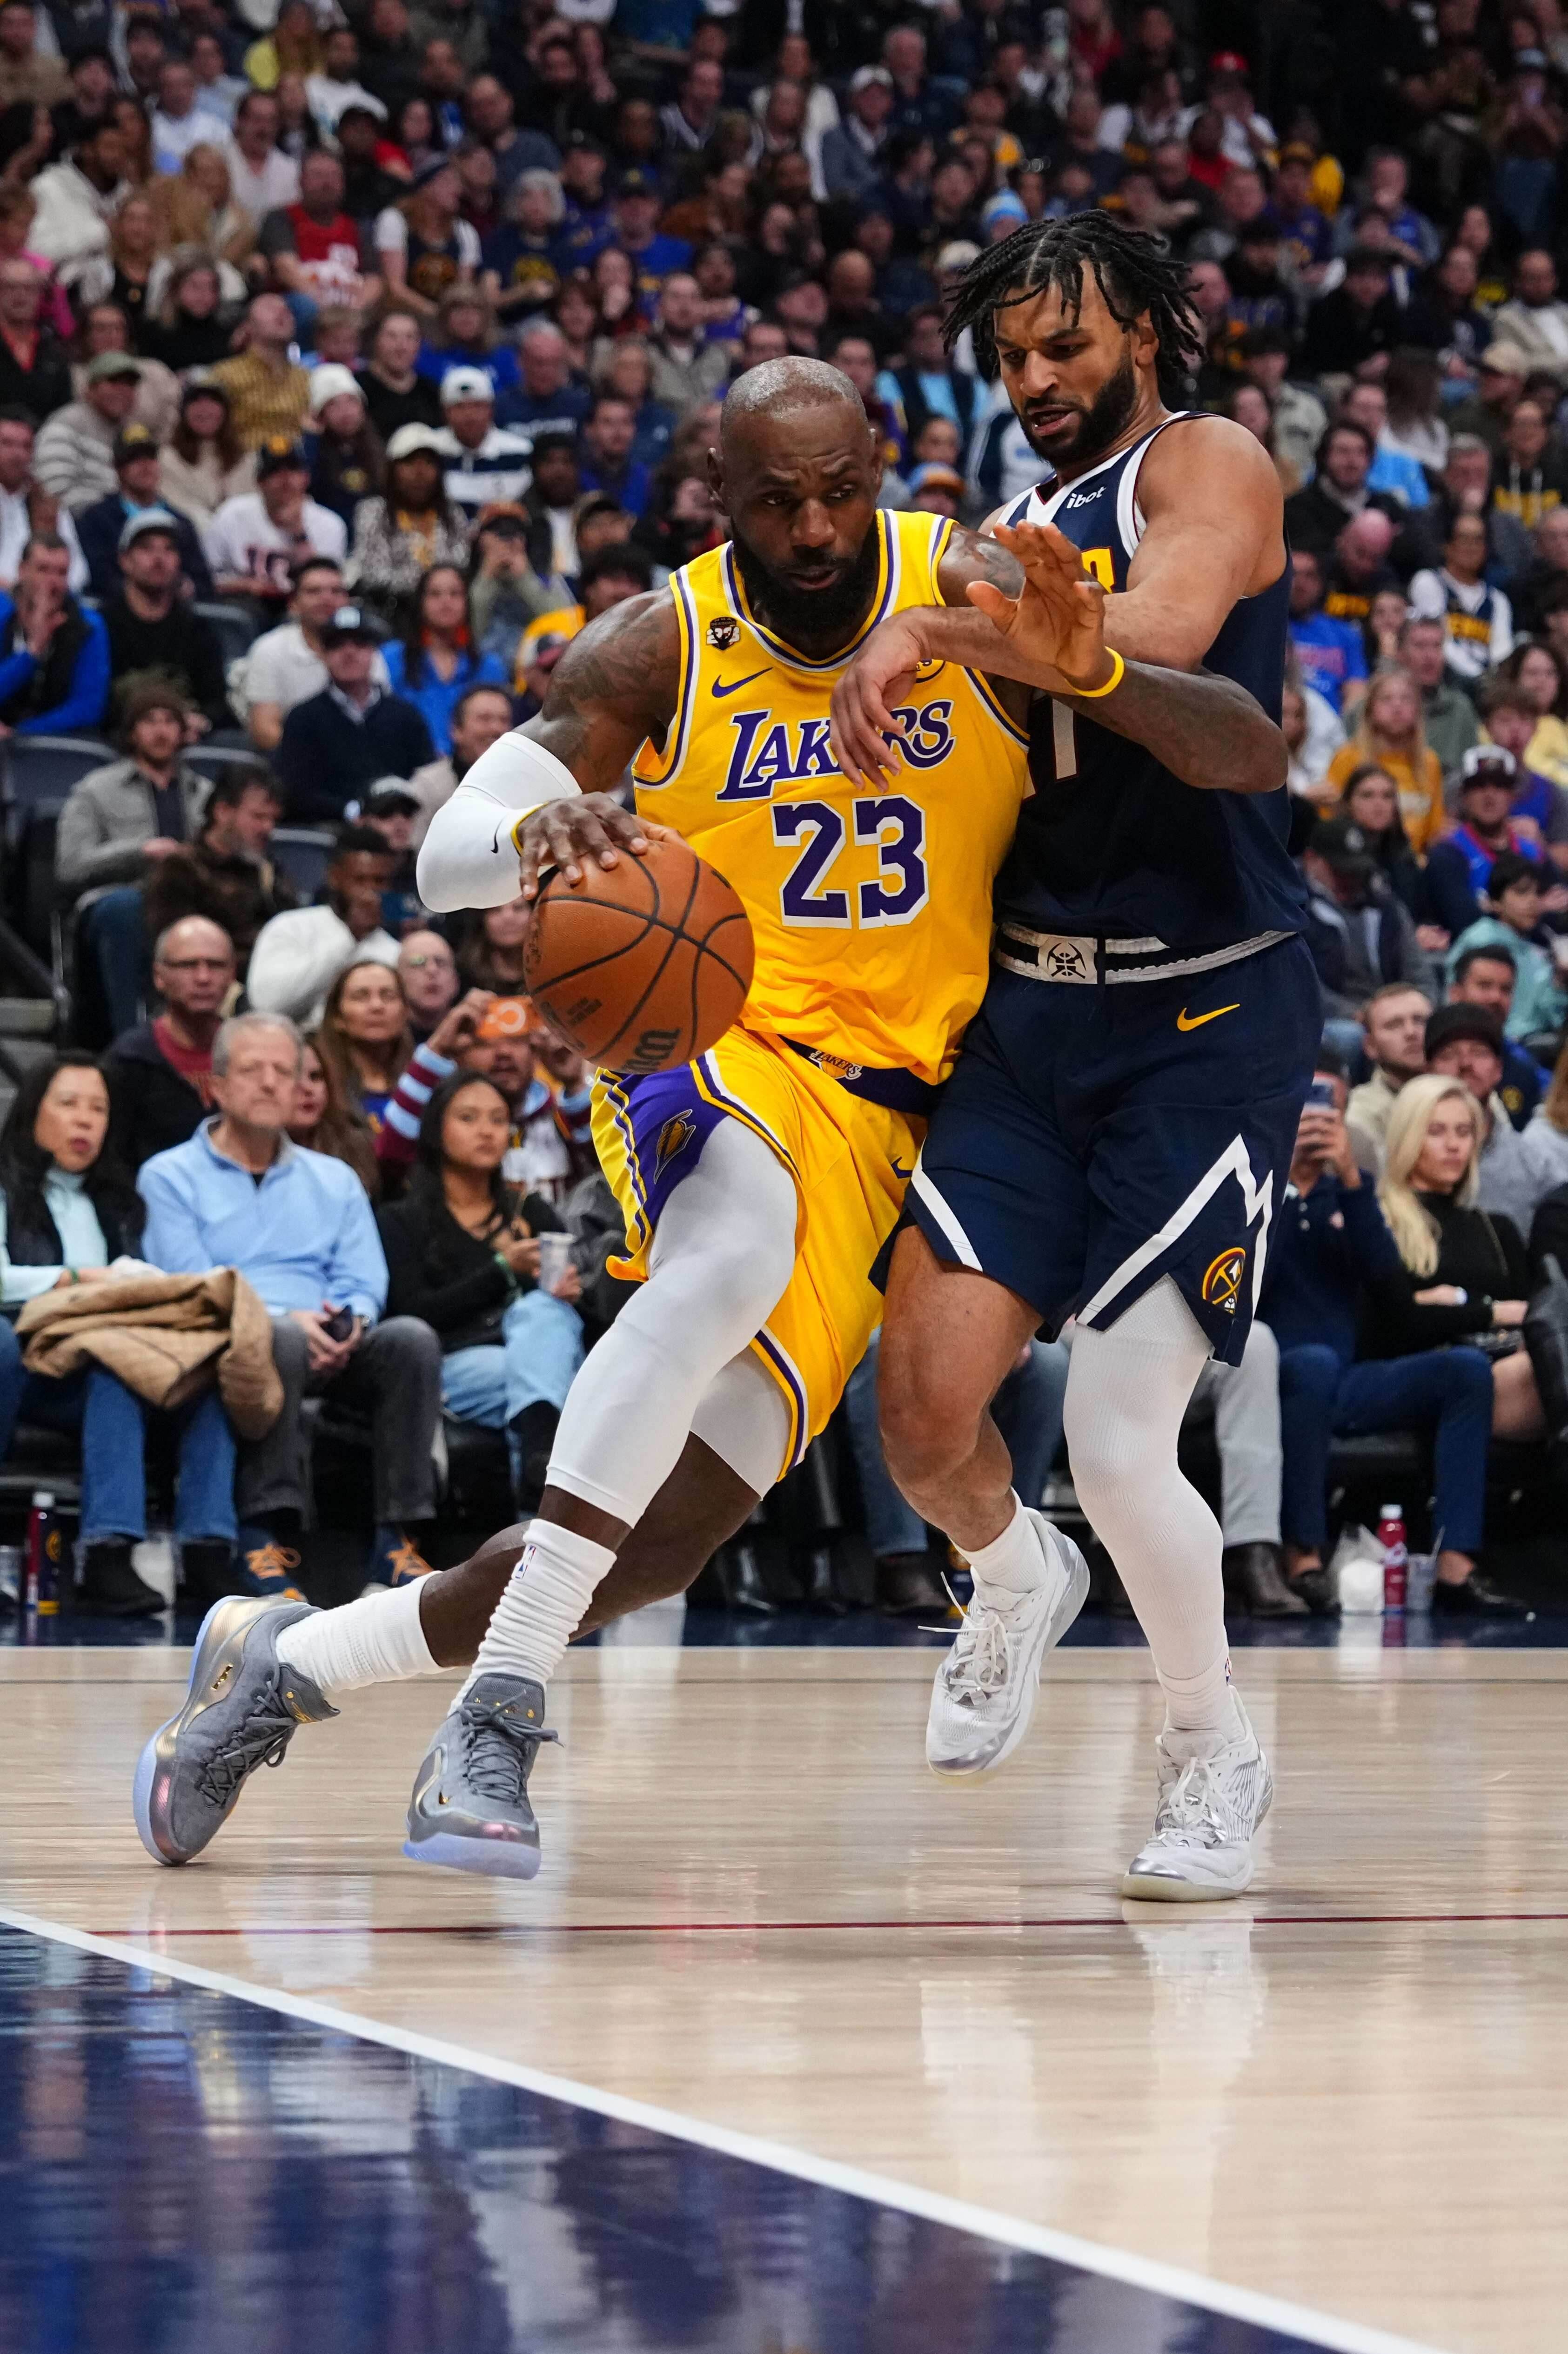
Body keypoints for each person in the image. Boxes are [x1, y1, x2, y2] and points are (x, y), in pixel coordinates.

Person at [130, 351, 1276, 1876]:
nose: (812, 530)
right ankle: (501, 1708)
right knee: (728, 1247)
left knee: (652, 1538)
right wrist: (548, 824)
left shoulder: (974, 581)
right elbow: (449, 849)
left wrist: (1101, 668)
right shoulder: (660, 639)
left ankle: (290, 1667)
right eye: (774, 501)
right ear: (715, 497)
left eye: (839, 492)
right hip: (714, 1046)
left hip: (911, 1112)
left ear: (883, 470)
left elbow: (1215, 727)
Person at [825, 214, 1318, 1902]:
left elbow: (1166, 637)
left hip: (1207, 1007)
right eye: (1011, 358)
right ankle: (1012, 1573)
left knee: (1118, 1435)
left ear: (1147, 335)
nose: (1034, 381)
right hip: (1034, 1010)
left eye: (1065, 348)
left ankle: (1209, 1750)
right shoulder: (1007, 528)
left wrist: (956, 633)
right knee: (918, 1409)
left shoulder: (1208, 460)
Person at [136, 1012, 442, 1613]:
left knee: (412, 1339)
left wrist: (348, 1321)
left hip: (331, 1342)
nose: (274, 1084)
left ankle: (396, 1539)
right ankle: (262, 1531)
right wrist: (283, 1316)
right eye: (254, 1071)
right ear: (217, 1086)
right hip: (231, 1348)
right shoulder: (169, 1176)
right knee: (278, 1335)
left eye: (287, 1071)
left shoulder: (334, 1179)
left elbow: (363, 1279)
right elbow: (188, 1285)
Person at [0, 1053, 240, 1618]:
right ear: (33, 1111)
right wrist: (88, 1279)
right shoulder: (7, 1191)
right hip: (26, 1363)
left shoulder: (121, 1203)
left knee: (188, 1365)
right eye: (68, 1105)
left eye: (98, 1108)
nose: (85, 1120)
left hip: (97, 1363)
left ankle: (182, 1551)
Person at [1264, 1069, 1509, 1619]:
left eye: (1329, 1109)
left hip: (1348, 1377)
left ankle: (1456, 1566)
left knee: (1467, 1369)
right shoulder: (1252, 1186)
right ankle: (1302, 1557)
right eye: (1305, 1106)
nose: (1317, 1120)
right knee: (1311, 1363)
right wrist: (1283, 1181)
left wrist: (1349, 1178)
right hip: (1267, 1375)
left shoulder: (1352, 1192)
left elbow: (1385, 1280)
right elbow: (1251, 1284)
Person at [378, 1072, 584, 1506]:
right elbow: (413, 1313)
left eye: (497, 1119)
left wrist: (571, 1292)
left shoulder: (532, 1211)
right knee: (556, 1392)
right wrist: (501, 1270)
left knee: (543, 1315)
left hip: (534, 1354)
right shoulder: (402, 1220)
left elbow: (570, 1304)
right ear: (437, 1130)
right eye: (469, 1118)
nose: (487, 1130)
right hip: (455, 1364)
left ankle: (535, 1479)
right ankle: (543, 1490)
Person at [274, 602, 433, 818]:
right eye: (337, 645)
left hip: (400, 828)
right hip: (330, 832)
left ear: (374, 652)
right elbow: (296, 793)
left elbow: (426, 779)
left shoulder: (406, 716)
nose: (349, 653)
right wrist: (350, 812)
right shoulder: (303, 719)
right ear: (323, 654)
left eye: (360, 644)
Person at [103, 915, 235, 1172]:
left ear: (232, 975)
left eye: (216, 965)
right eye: (188, 965)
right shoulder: (129, 1061)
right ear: (159, 976)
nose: (203, 977)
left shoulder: (254, 1056)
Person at [235, 555, 389, 754]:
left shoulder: (367, 651)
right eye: (314, 591)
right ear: (293, 603)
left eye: (336, 591)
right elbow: (265, 731)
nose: (327, 599)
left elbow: (383, 716)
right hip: (294, 764)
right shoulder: (269, 650)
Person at [1424, 1001, 1555, 1237]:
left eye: (1479, 1052)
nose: (1465, 1064)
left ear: (1499, 1070)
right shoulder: (1400, 1155)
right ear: (1428, 1072)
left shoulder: (1535, 1165)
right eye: (1449, 1054)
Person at [247, 824, 400, 1023]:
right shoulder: (290, 927)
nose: (370, 893)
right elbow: (266, 1003)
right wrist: (350, 935)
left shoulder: (396, 950)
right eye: (360, 880)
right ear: (334, 877)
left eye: (379, 882)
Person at [101, 510, 230, 734]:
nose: (159, 559)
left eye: (169, 549)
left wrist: (200, 723)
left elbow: (216, 704)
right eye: (146, 548)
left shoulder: (197, 629)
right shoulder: (101, 626)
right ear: (125, 561)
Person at [204, 437, 348, 617]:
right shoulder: (232, 515)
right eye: (275, 472)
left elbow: (328, 587)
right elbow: (207, 578)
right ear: (259, 482)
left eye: (293, 471)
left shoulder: (329, 524)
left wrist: (299, 532)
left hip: (303, 610)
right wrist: (247, 586)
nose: (285, 480)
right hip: (244, 603)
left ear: (306, 478)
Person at [346, 419, 470, 624]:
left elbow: (460, 565)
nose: (420, 473)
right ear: (393, 469)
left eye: (429, 463)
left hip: (446, 610)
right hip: (392, 611)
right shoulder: (373, 511)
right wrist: (428, 587)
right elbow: (373, 572)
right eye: (410, 463)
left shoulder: (452, 513)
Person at [382, 562, 506, 755]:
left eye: (455, 594)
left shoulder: (490, 667)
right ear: (420, 603)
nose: (446, 602)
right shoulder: (391, 659)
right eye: (435, 594)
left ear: (467, 602)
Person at [1447, 851, 1568, 1047]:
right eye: (1521, 892)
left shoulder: (1537, 952)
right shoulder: (1479, 940)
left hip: (1536, 1043)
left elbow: (1551, 1017)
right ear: (1495, 902)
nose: (1532, 902)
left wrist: (1561, 981)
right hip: (1486, 1042)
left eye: (1538, 893)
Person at [1324, 667, 1447, 855]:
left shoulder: (1429, 763)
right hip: (1358, 861)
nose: (1397, 707)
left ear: (1417, 710)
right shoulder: (1348, 757)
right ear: (1370, 710)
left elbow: (1434, 833)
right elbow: (1329, 821)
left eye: (1406, 699)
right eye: (1386, 699)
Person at [0, 527, 108, 734]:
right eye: (43, 570)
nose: (53, 582)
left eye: (61, 572)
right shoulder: (3, 617)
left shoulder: (88, 627)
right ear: (22, 571)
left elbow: (88, 707)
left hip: (60, 748)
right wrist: (30, 654)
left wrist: (20, 734)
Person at [1407, 512, 1515, 690]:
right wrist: (1476, 677)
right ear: (1447, 546)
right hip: (1444, 683)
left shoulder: (1498, 600)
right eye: (1464, 539)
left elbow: (1502, 651)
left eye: (1478, 540)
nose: (1471, 547)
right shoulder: (1429, 582)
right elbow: (1439, 643)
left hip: (1486, 687)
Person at [1447, 942, 1548, 1130]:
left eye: (1506, 990)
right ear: (1456, 994)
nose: (1496, 997)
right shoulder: (1428, 1057)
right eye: (1484, 986)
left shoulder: (1523, 1068)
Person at [406, 678, 513, 847]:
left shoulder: (524, 783)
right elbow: (412, 853)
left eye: (504, 721)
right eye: (484, 719)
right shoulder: (427, 785)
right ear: (456, 730)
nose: (496, 729)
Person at [33, 346, 140, 511]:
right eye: (113, 382)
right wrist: (108, 515)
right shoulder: (67, 423)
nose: (123, 390)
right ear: (91, 388)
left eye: (129, 384)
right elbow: (54, 491)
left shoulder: (131, 430)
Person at [314, 956, 411, 1130]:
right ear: (337, 1017)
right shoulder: (319, 1085)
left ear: (405, 1013)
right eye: (361, 997)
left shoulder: (422, 1084)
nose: (377, 1006)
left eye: (388, 996)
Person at [210, 293, 312, 451]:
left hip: (297, 465)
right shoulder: (224, 376)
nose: (282, 313)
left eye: (287, 310)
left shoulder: (306, 378)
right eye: (270, 308)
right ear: (248, 326)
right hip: (245, 464)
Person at [1347, 982, 1432, 1168]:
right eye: (1394, 1025)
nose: (1411, 1033)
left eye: (1420, 1021)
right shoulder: (1360, 1113)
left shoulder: (1469, 1090)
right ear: (1370, 1046)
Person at [157, 378, 256, 536]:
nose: (205, 409)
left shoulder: (247, 459)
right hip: (193, 538)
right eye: (196, 402)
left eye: (213, 401)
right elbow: (182, 509)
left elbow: (251, 507)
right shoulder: (167, 460)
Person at [286, 1029, 379, 1197]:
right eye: (292, 1077)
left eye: (316, 1077)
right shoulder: (252, 1156)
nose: (308, 1089)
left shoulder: (356, 1146)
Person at [434, 363, 530, 519]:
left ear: (491, 409)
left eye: (478, 406)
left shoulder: (520, 452)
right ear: (445, 412)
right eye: (459, 407)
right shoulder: (431, 450)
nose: (469, 416)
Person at [395, 926, 457, 1038]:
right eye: (418, 963)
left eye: (441, 963)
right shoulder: (385, 1041)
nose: (432, 970)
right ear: (398, 980)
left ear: (455, 981)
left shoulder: (475, 1037)